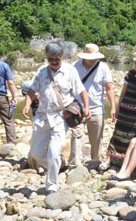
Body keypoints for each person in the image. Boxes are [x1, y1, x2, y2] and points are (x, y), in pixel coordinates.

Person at [23, 41, 91, 194]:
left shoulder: (70, 71)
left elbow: (82, 91)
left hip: (61, 116)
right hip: (42, 116)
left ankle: (51, 186)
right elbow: (32, 90)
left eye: (57, 59)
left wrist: (86, 107)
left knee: (54, 150)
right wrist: (27, 104)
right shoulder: (41, 71)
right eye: (50, 59)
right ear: (47, 58)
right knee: (36, 152)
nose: (54, 62)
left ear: (62, 57)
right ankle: (56, 165)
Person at [69, 43, 115, 169]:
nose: (93, 60)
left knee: (96, 140)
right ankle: (74, 164)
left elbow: (109, 88)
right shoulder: (74, 67)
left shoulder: (103, 68)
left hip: (97, 109)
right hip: (77, 108)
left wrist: (113, 107)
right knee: (76, 136)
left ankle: (94, 162)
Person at [105, 55, 136, 167]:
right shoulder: (130, 76)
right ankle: (109, 158)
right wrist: (117, 108)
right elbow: (123, 92)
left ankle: (127, 158)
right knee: (117, 132)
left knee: (132, 134)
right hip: (125, 109)